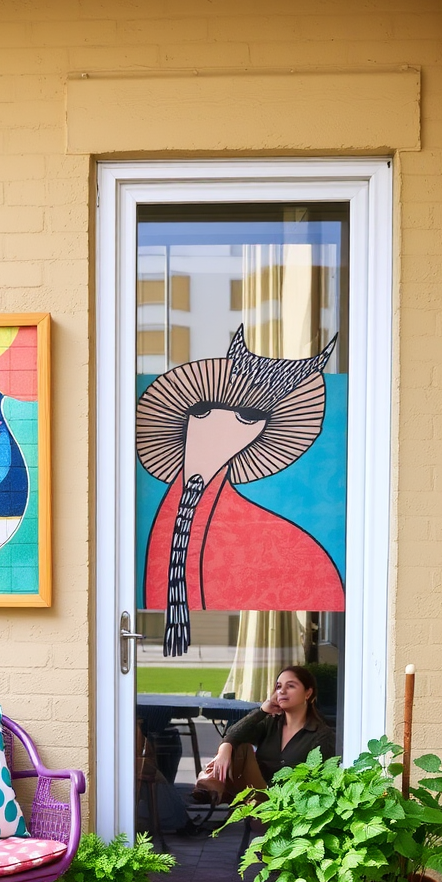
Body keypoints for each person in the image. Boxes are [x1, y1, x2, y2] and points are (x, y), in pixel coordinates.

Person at [137, 327, 345, 657]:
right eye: (204, 410)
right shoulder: (167, 512)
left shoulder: (290, 548)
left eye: (248, 417)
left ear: (263, 429)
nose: (222, 426)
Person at [190, 665, 335, 804]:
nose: (282, 691)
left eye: (290, 686)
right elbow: (233, 733)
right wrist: (261, 711)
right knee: (239, 747)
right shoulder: (271, 723)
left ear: (308, 693)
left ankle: (213, 788)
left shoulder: (321, 734)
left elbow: (320, 781)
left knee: (240, 748)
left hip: (290, 802)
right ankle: (213, 786)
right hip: (257, 793)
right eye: (279, 687)